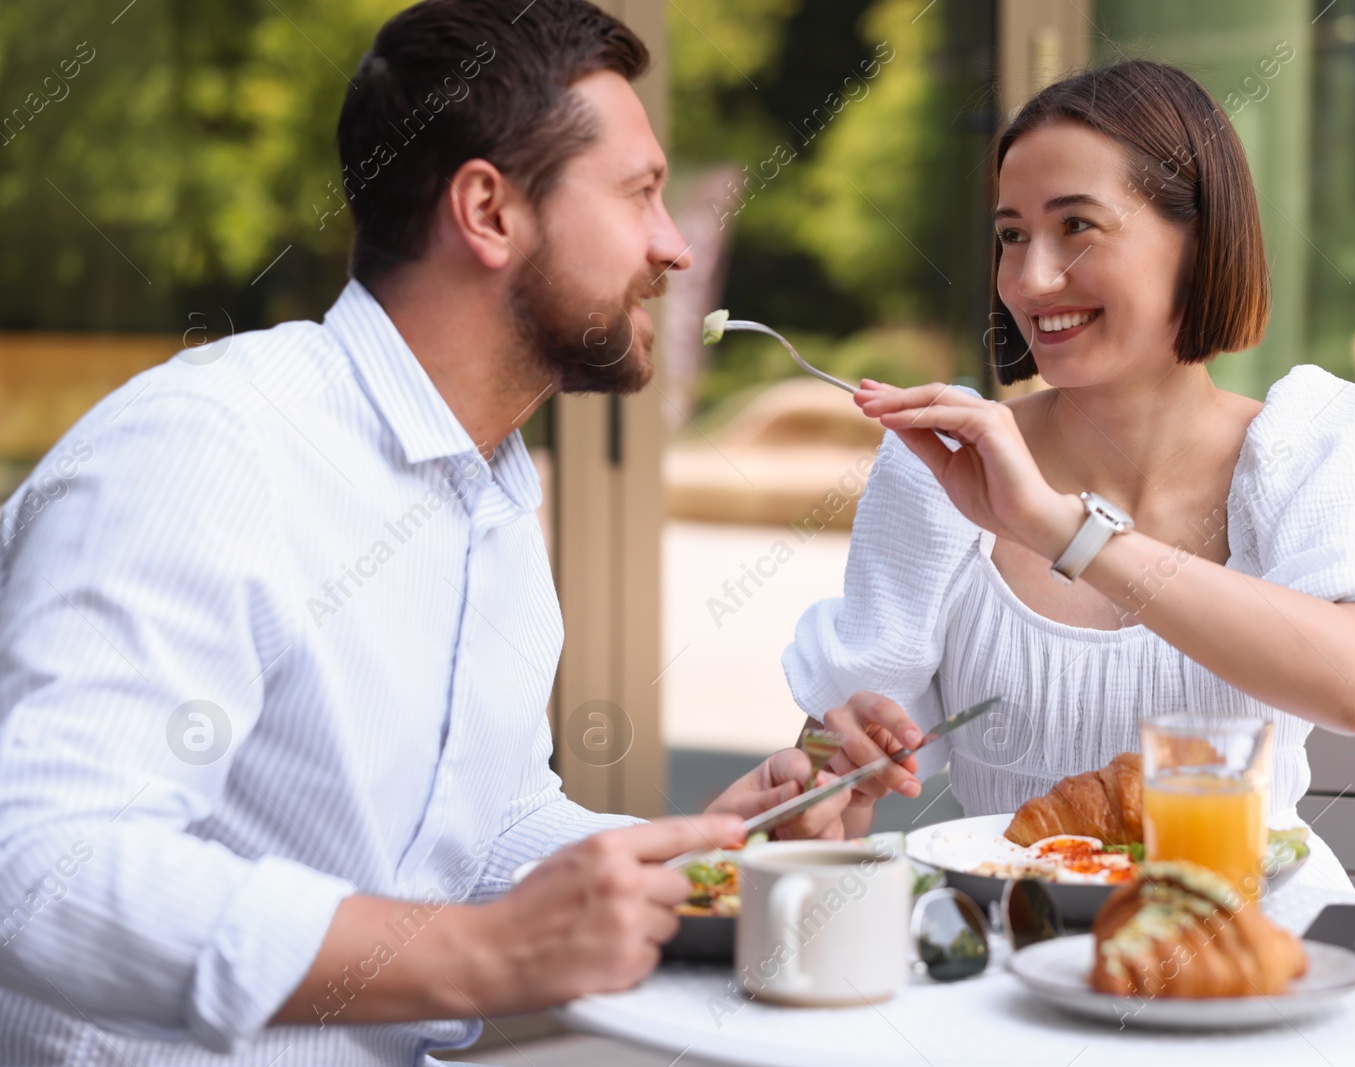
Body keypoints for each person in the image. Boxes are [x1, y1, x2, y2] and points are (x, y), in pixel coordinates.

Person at [0, 2, 869, 1063]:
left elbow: (471, 831)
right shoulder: (210, 448)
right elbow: (41, 863)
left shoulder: (487, 486)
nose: (673, 246)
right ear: (489, 212)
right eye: (640, 193)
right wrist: (479, 954)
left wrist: (703, 855)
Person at [784, 60, 1355, 890]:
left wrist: (1063, 530)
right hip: (1011, 961)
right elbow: (837, 774)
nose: (1031, 281)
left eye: (1078, 227)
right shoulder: (943, 465)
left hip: (1247, 958)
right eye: (1011, 235)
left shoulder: (1308, 442)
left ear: (1200, 241)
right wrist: (827, 775)